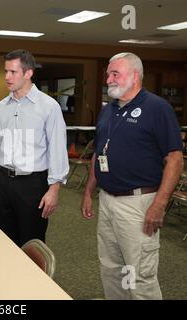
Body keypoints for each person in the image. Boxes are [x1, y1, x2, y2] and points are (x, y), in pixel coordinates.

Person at [81, 52, 184, 300]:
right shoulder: (109, 110)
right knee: (111, 269)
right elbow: (99, 153)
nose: (108, 79)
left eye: (115, 73)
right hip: (107, 200)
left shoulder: (157, 108)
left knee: (139, 276)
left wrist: (159, 204)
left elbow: (175, 159)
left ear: (135, 76)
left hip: (138, 204)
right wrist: (88, 191)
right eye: (108, 74)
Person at [0, 49, 69, 247]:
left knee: (31, 241)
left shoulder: (49, 106)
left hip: (33, 184)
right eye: (5, 71)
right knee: (5, 241)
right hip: (4, 182)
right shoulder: (0, 107)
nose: (7, 77)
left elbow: (58, 148)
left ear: (28, 73)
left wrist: (54, 189)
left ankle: (33, 279)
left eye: (13, 72)